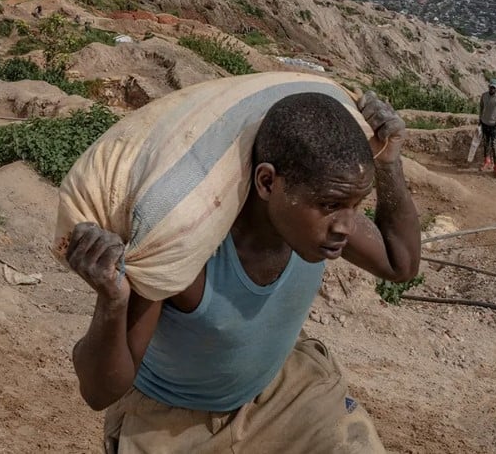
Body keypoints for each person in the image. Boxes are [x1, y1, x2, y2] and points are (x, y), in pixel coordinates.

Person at [66, 92, 416, 453]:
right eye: (331, 205)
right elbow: (98, 391)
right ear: (267, 183)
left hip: (282, 393)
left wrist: (389, 164)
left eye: (355, 206)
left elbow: (399, 262)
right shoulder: (187, 249)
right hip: (175, 421)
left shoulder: (320, 221)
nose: (346, 224)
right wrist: (112, 301)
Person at [478, 78, 496, 178]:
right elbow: (481, 107)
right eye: (491, 87)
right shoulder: (484, 95)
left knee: (494, 146)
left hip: (494, 125)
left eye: (494, 88)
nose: (492, 89)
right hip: (484, 123)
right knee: (486, 143)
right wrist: (480, 119)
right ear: (489, 86)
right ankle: (486, 161)